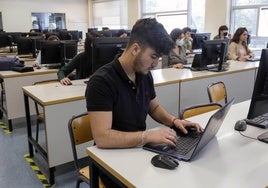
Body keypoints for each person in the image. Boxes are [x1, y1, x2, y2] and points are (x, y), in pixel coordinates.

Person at [85, 17, 203, 187]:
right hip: (110, 160)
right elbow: (103, 137)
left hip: (139, 148)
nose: (156, 64)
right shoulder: (101, 82)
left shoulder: (144, 74)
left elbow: (153, 107)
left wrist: (175, 121)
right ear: (135, 49)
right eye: (153, 57)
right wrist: (146, 136)